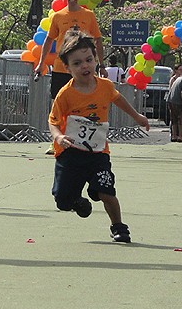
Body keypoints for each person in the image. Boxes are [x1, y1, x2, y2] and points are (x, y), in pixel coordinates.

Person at [48, 31, 149, 243]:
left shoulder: (104, 86)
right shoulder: (65, 94)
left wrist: (137, 116)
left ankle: (119, 227)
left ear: (96, 59)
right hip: (70, 154)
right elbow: (54, 121)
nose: (84, 66)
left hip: (97, 153)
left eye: (89, 60)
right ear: (67, 68)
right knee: (62, 201)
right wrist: (58, 137)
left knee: (106, 190)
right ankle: (77, 201)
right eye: (77, 63)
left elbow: (119, 99)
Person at [34, 0, 106, 154]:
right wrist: (41, 63)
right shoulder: (58, 16)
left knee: (83, 105)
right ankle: (56, 141)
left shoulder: (88, 15)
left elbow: (97, 40)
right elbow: (49, 40)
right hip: (61, 68)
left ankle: (81, 143)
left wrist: (101, 64)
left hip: (82, 70)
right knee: (58, 106)